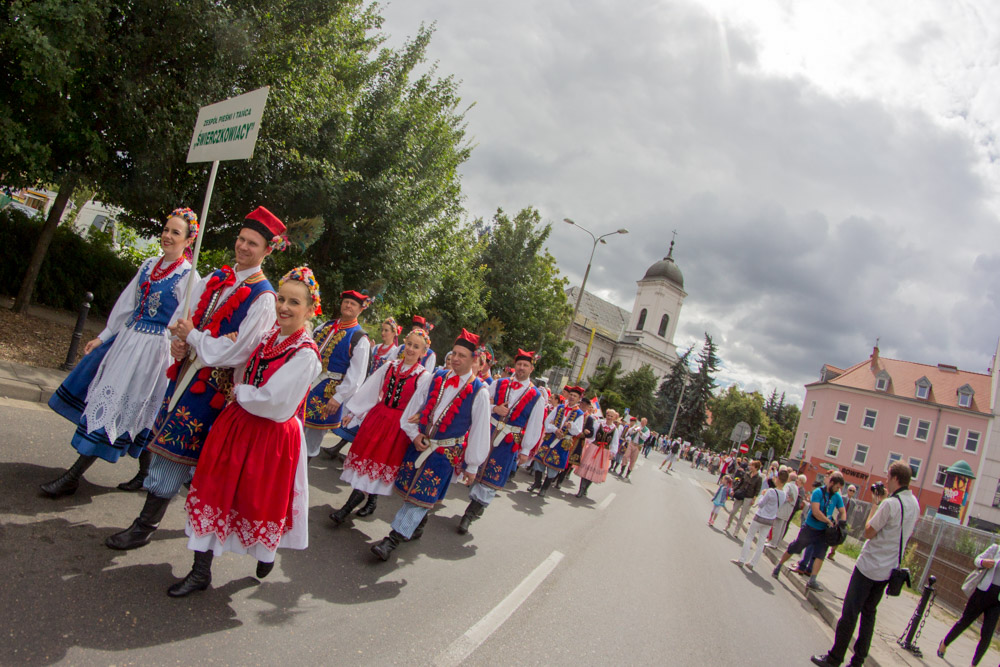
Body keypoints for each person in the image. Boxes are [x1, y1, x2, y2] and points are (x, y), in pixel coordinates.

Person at [105, 206, 282, 551]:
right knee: (172, 447)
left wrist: (197, 339)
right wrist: (179, 341)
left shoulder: (263, 297)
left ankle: (145, 525)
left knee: (176, 452)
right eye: (242, 239)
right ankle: (191, 518)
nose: (243, 247)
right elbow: (186, 317)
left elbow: (238, 353)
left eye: (253, 244)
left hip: (213, 388)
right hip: (186, 374)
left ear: (267, 251)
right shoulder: (218, 277)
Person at [167, 267, 322, 597]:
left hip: (270, 436)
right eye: (281, 298)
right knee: (214, 492)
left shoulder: (305, 354)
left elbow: (275, 402)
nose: (283, 307)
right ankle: (200, 571)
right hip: (237, 424)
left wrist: (240, 393)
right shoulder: (268, 336)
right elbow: (238, 363)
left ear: (310, 310)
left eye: (294, 302)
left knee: (256, 501)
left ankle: (266, 550)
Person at [42, 208, 198, 498]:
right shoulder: (149, 264)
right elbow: (126, 305)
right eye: (166, 229)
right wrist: (102, 338)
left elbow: (184, 320)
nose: (167, 236)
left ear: (189, 241)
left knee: (121, 409)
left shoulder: (188, 277)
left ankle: (73, 476)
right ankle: (144, 472)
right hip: (127, 343)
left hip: (152, 354)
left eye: (176, 232)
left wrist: (176, 344)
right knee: (125, 408)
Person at [370, 329, 490, 561]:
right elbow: (414, 408)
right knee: (410, 492)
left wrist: (472, 465)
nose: (455, 358)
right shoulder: (437, 377)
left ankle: (391, 540)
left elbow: (479, 431)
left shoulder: (480, 392)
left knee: (421, 495)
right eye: (454, 353)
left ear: (475, 359)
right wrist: (414, 434)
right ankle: (420, 523)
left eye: (462, 355)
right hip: (421, 444)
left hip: (443, 455)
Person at [811, 463, 919, 667]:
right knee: (869, 615)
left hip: (870, 565)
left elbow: (869, 531)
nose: (886, 480)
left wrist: (875, 504)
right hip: (888, 569)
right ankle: (858, 661)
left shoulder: (890, 504)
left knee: (850, 614)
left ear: (895, 478)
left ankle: (834, 658)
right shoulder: (914, 503)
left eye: (888, 476)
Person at [329, 329, 433, 524]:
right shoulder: (390, 366)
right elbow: (370, 390)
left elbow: (423, 404)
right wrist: (353, 413)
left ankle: (350, 505)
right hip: (377, 418)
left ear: (423, 352)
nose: (410, 349)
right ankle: (369, 500)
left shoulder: (424, 377)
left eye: (416, 347)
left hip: (397, 427)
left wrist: (419, 417)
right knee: (368, 458)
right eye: (409, 344)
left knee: (380, 460)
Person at [457, 348, 545, 533]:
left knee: (491, 479)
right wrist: (495, 408)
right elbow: (481, 402)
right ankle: (475, 504)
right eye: (519, 364)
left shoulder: (537, 396)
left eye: (525, 365)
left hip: (508, 442)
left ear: (531, 369)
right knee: (474, 469)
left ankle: (470, 514)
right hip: (488, 431)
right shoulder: (500, 383)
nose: (521, 368)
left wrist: (525, 450)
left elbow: (535, 425)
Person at [302, 290, 371, 458]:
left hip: (328, 392)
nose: (348, 305)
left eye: (353, 304)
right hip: (306, 383)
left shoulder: (359, 338)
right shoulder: (326, 325)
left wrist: (339, 398)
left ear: (360, 309)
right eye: (346, 302)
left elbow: (356, 376)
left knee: (312, 438)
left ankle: (299, 477)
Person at [773, 472, 847, 592]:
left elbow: (843, 511)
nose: (838, 490)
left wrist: (842, 524)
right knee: (796, 546)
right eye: (837, 487)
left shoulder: (836, 496)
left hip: (823, 532)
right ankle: (779, 565)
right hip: (810, 528)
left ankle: (812, 580)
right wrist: (828, 521)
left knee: (820, 555)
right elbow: (816, 512)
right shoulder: (818, 492)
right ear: (831, 483)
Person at [938, 546, 1000, 665]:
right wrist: (983, 562)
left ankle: (974, 664)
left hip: (997, 601)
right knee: (964, 622)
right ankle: (944, 643)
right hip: (982, 593)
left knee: (987, 634)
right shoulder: (995, 549)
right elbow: (977, 560)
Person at [528, 385, 586, 497]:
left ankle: (544, 488)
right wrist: (555, 430)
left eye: (575, 396)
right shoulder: (560, 408)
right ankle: (537, 482)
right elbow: (548, 421)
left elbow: (578, 431)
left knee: (553, 467)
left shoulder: (579, 414)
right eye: (571, 395)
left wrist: (571, 426)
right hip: (551, 438)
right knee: (539, 460)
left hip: (562, 443)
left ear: (579, 399)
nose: (572, 397)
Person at [732, 469, 788, 571]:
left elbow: (761, 504)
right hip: (770, 519)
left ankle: (742, 559)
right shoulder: (784, 494)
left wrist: (762, 494)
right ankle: (753, 563)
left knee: (749, 537)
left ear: (778, 479)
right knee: (761, 542)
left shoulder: (770, 491)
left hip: (760, 516)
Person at [575, 409, 621, 497]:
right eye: (608, 415)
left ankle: (585, 488)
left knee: (595, 470)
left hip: (604, 451)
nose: (609, 418)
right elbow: (593, 434)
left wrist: (613, 452)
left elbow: (615, 443)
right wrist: (589, 440)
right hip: (594, 447)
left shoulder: (615, 430)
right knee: (587, 467)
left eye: (611, 416)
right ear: (606, 415)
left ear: (614, 418)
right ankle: (581, 489)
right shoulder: (599, 424)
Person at [724, 460, 762, 535]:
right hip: (741, 494)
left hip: (749, 497)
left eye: (752, 465)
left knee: (742, 516)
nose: (750, 467)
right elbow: (740, 483)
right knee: (733, 511)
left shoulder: (758, 478)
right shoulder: (746, 474)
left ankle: (736, 531)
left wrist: (754, 499)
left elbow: (757, 490)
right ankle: (728, 525)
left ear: (756, 467)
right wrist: (734, 490)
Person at [767, 471, 798, 549]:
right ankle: (777, 543)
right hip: (789, 510)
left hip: (783, 508)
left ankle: (773, 542)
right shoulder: (796, 487)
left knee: (777, 526)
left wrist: (785, 499)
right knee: (782, 527)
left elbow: (783, 494)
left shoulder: (788, 485)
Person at [828, 485, 857, 561]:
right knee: (831, 534)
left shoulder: (854, 503)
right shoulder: (842, 498)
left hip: (844, 521)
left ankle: (832, 553)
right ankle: (826, 547)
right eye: (850, 490)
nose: (852, 492)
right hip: (837, 518)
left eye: (853, 491)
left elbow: (851, 514)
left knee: (839, 536)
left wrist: (848, 522)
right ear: (847, 490)